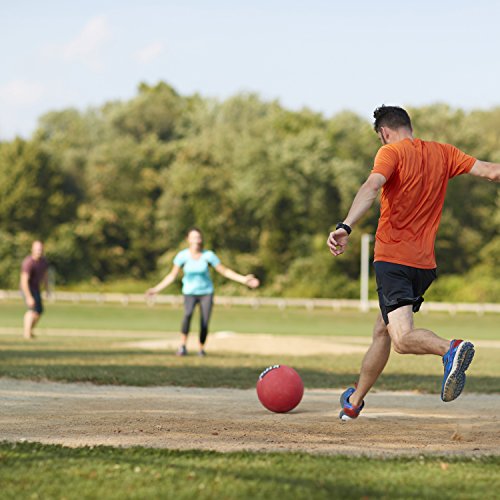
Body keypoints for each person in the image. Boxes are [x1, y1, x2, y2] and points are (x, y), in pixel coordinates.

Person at [327, 105, 500, 420]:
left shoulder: (390, 152)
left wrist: (345, 225)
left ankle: (450, 348)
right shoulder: (443, 153)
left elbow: (372, 186)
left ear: (385, 132)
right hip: (424, 265)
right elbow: (492, 171)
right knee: (383, 328)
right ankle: (355, 401)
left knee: (403, 339)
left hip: (393, 259)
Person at [147, 227, 260, 356]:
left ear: (201, 239)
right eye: (193, 237)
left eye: (198, 237)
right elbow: (172, 276)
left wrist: (243, 279)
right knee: (187, 315)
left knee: (205, 322)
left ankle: (201, 349)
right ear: (188, 239)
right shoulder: (182, 256)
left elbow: (224, 271)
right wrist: (156, 289)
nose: (196, 240)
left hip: (206, 292)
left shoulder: (208, 255)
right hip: (189, 292)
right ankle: (183, 346)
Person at [20, 240, 50, 340]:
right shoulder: (28, 263)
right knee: (32, 309)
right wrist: (28, 297)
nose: (39, 251)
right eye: (37, 249)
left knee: (39, 311)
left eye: (41, 249)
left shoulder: (43, 262)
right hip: (26, 288)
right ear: (32, 249)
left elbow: (45, 276)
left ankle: (29, 330)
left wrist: (47, 289)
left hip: (36, 288)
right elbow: (24, 281)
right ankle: (27, 333)